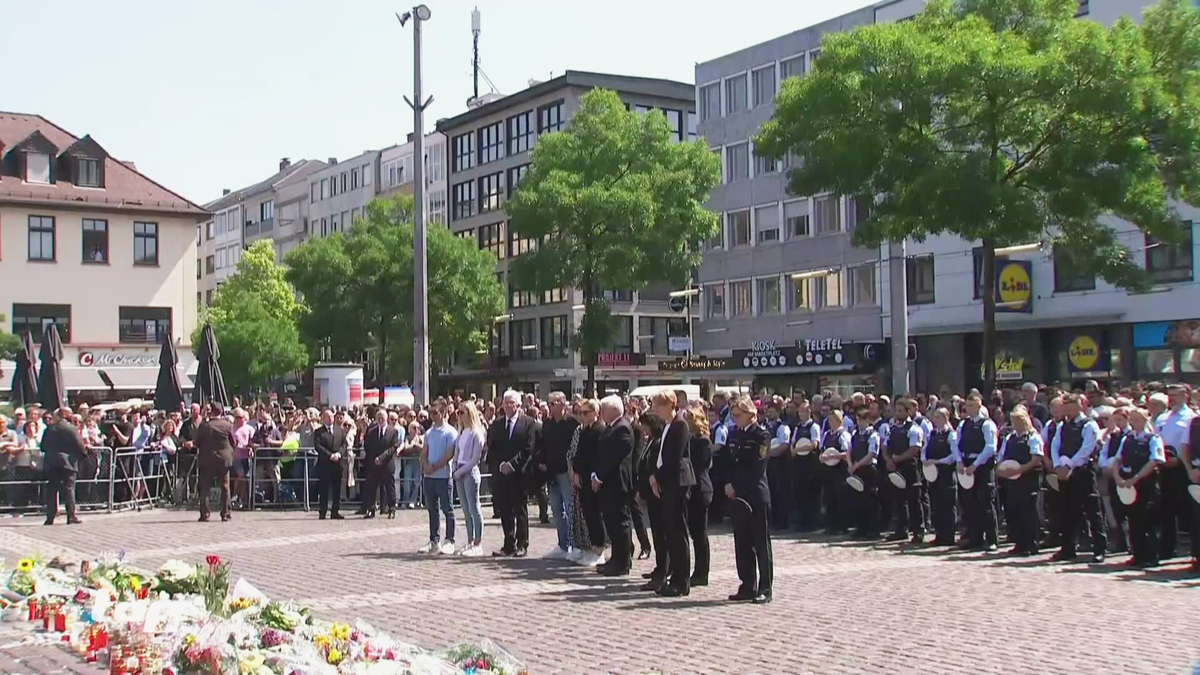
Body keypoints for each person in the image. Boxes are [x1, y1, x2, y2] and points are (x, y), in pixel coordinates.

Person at [726, 397, 773, 604]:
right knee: (742, 542)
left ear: (750, 414)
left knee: (760, 542)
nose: (735, 420)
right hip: (737, 495)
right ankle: (747, 585)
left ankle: (765, 588)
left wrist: (737, 486)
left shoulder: (761, 436)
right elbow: (728, 462)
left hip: (755, 494)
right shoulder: (734, 434)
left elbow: (757, 467)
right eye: (733, 416)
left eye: (738, 415)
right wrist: (728, 483)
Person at [1050, 394, 1107, 562]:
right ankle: (1068, 548)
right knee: (1066, 511)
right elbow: (1054, 446)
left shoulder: (1089, 425)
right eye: (1065, 407)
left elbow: (1086, 448)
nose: (1067, 410)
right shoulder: (1062, 426)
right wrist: (1058, 466)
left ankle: (1099, 548)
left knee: (1092, 510)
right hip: (1064, 472)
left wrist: (1070, 465)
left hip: (1082, 471)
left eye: (1071, 407)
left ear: (1080, 406)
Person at [643, 391, 690, 594]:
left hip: (676, 482)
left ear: (670, 405)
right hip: (666, 482)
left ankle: (681, 581)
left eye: (659, 406)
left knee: (678, 534)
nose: (656, 410)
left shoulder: (680, 425)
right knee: (670, 533)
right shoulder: (668, 426)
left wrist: (657, 476)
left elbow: (674, 458)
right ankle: (673, 578)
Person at [1114, 407, 1166, 568]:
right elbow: (1117, 459)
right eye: (1133, 419)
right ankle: (1138, 553)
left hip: (1146, 483)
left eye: (1138, 419)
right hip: (1129, 482)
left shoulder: (1153, 438)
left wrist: (1136, 478)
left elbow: (1154, 460)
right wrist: (1118, 477)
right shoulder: (1127, 439)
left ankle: (1152, 555)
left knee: (1149, 520)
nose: (1134, 423)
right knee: (1134, 519)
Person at [487, 390, 536, 557]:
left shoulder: (528, 423)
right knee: (505, 510)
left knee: (520, 509)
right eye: (506, 402)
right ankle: (509, 543)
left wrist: (513, 465)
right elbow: (492, 447)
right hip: (502, 473)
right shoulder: (497, 424)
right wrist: (501, 464)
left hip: (520, 473)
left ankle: (522, 544)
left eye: (511, 403)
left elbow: (528, 448)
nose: (508, 406)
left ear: (518, 405)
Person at [594, 395, 637, 578]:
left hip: (617, 483)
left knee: (620, 523)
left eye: (604, 409)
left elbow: (614, 458)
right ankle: (615, 558)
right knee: (611, 522)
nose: (601, 413)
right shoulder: (610, 428)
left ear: (614, 410)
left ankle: (623, 561)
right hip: (607, 483)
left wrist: (600, 476)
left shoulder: (622, 429)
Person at [995, 407, 1044, 556]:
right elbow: (1001, 456)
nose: (1015, 424)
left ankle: (1031, 543)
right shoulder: (1010, 437)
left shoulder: (1033, 437)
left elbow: (1036, 459)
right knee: (1014, 510)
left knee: (1028, 512)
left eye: (1018, 421)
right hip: (1012, 479)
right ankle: (1019, 542)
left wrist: (1020, 469)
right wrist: (1001, 470)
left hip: (1028, 479)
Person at [1155, 384, 1195, 563]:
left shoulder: (1191, 417)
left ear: (1185, 396)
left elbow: (1189, 444)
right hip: (1164, 466)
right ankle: (1166, 548)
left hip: (1182, 467)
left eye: (1175, 395)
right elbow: (1156, 439)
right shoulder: (1162, 418)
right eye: (1169, 396)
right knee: (1165, 509)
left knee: (1188, 510)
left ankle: (1193, 550)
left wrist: (1179, 460)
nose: (1171, 399)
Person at [538, 392, 580, 560]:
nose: (550, 405)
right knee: (557, 510)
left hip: (566, 472)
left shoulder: (572, 423)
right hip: (551, 472)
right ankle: (563, 545)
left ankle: (575, 545)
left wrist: (574, 469)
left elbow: (576, 447)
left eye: (554, 403)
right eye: (549, 402)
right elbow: (542, 444)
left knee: (571, 509)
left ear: (563, 404)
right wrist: (541, 460)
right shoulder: (547, 423)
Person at [957, 394, 999, 552]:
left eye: (973, 406)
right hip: (967, 464)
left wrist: (976, 464)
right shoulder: (964, 424)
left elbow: (990, 447)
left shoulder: (987, 424)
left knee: (986, 503)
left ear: (980, 406)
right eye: (967, 406)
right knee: (970, 503)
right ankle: (975, 538)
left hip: (982, 466)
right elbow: (957, 444)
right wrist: (960, 461)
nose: (969, 409)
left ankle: (991, 539)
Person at [882, 398, 925, 543]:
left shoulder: (914, 428)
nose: (897, 413)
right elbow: (884, 446)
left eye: (901, 411)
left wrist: (898, 458)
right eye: (896, 410)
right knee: (899, 500)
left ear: (908, 412)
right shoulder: (892, 428)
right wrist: (888, 460)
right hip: (895, 467)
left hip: (910, 467)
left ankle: (918, 530)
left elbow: (914, 449)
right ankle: (901, 529)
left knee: (914, 500)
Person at [568, 399, 606, 565]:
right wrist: (575, 472)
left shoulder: (599, 430)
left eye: (586, 413)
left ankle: (599, 549)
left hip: (592, 477)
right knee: (588, 513)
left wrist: (594, 475)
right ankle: (592, 547)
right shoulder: (584, 430)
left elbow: (597, 456)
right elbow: (578, 454)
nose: (582, 416)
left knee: (596, 514)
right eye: (580, 413)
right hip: (582, 477)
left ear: (596, 413)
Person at [418, 402, 458, 555]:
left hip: (443, 476)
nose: (432, 416)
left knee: (447, 509)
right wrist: (425, 465)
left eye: (435, 412)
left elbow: (448, 455)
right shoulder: (429, 433)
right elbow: (424, 451)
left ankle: (450, 540)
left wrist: (433, 467)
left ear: (442, 412)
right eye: (431, 413)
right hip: (429, 477)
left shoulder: (450, 432)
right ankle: (434, 541)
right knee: (432, 510)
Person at [683, 406, 713, 587]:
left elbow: (700, 465)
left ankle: (702, 572)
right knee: (694, 532)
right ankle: (697, 571)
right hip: (690, 489)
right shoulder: (689, 439)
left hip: (700, 489)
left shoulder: (703, 441)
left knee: (700, 533)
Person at [453, 401, 487, 556]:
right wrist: (454, 467)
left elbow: (475, 459)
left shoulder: (476, 432)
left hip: (470, 471)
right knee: (465, 509)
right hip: (459, 469)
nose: (459, 415)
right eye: (458, 412)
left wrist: (461, 471)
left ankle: (478, 542)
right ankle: (470, 540)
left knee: (474, 508)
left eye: (462, 412)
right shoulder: (461, 431)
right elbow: (456, 452)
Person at [922, 406, 960, 546]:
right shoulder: (931, 434)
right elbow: (924, 450)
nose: (935, 419)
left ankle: (949, 536)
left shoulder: (951, 434)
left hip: (946, 473)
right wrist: (925, 460)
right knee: (936, 505)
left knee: (948, 506)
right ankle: (939, 534)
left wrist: (938, 462)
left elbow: (954, 456)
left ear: (945, 418)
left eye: (938, 417)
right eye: (934, 416)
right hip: (933, 474)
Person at [41, 407, 85, 525]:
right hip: (68, 462)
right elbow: (80, 445)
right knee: (69, 489)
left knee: (52, 489)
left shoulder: (49, 428)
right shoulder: (71, 428)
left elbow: (43, 446)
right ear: (65, 415)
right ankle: (71, 515)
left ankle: (50, 517)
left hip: (52, 462)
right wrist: (82, 455)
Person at [195, 402, 235, 522]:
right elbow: (234, 442)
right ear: (221, 412)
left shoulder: (205, 426)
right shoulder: (227, 425)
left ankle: (205, 513)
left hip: (207, 459)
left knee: (205, 487)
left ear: (210, 411)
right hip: (223, 459)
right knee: (225, 487)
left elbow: (197, 442)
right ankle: (226, 513)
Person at [362, 409, 401, 519]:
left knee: (390, 488)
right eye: (378, 417)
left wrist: (381, 458)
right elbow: (367, 446)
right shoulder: (372, 432)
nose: (380, 419)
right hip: (374, 464)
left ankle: (392, 509)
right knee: (372, 487)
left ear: (386, 418)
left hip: (387, 464)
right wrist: (374, 459)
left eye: (382, 417)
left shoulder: (393, 431)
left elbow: (393, 447)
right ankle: (371, 509)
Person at [790, 399, 822, 532]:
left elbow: (815, 444)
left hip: (810, 462)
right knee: (800, 492)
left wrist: (798, 449)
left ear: (809, 412)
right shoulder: (797, 427)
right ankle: (801, 521)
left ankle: (812, 522)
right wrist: (793, 450)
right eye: (800, 411)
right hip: (798, 463)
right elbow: (793, 442)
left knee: (811, 493)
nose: (801, 414)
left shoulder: (814, 427)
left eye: (803, 411)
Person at [821, 409, 853, 536]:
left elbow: (847, 452)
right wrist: (822, 457)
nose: (831, 422)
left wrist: (834, 456)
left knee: (840, 497)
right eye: (830, 420)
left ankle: (842, 525)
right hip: (829, 469)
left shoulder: (843, 434)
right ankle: (831, 524)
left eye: (833, 420)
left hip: (840, 469)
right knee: (829, 496)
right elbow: (822, 449)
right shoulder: (827, 434)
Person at [313, 409, 348, 520]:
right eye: (327, 417)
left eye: (332, 417)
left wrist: (338, 454)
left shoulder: (340, 431)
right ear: (323, 418)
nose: (330, 419)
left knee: (337, 489)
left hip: (337, 464)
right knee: (324, 489)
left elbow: (344, 445)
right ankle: (322, 511)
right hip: (325, 464)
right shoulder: (319, 432)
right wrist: (329, 455)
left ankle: (335, 511)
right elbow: (318, 446)